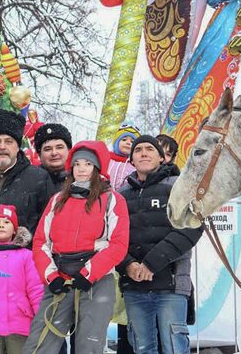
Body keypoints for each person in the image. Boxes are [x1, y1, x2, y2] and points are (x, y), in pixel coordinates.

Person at [23, 140, 130, 354]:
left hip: (95, 280)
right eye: (78, 163)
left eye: (88, 164)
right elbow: (41, 242)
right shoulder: (57, 200)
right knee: (40, 343)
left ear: (97, 168)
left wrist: (89, 273)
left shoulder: (112, 200)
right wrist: (51, 276)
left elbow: (118, 244)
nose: (82, 168)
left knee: (88, 345)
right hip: (60, 278)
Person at [117, 135, 203, 354]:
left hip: (171, 286)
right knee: (142, 348)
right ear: (131, 160)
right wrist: (128, 265)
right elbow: (112, 238)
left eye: (150, 149)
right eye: (138, 150)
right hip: (134, 286)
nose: (143, 153)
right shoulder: (120, 195)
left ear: (162, 158)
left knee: (175, 348)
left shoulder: (179, 186)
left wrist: (150, 265)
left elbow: (191, 227)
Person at [0, 204, 44, 354]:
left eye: (6, 222)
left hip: (20, 322)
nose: (1, 225)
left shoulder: (26, 255)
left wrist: (40, 318)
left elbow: (35, 289)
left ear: (15, 229)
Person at [34, 123, 72, 192]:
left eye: (59, 147)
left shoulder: (81, 179)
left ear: (69, 150)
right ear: (39, 155)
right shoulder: (30, 179)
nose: (54, 153)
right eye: (47, 149)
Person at [108, 124, 140, 190]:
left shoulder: (135, 165)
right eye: (124, 140)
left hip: (123, 197)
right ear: (116, 142)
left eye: (132, 142)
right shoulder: (106, 159)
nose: (128, 143)